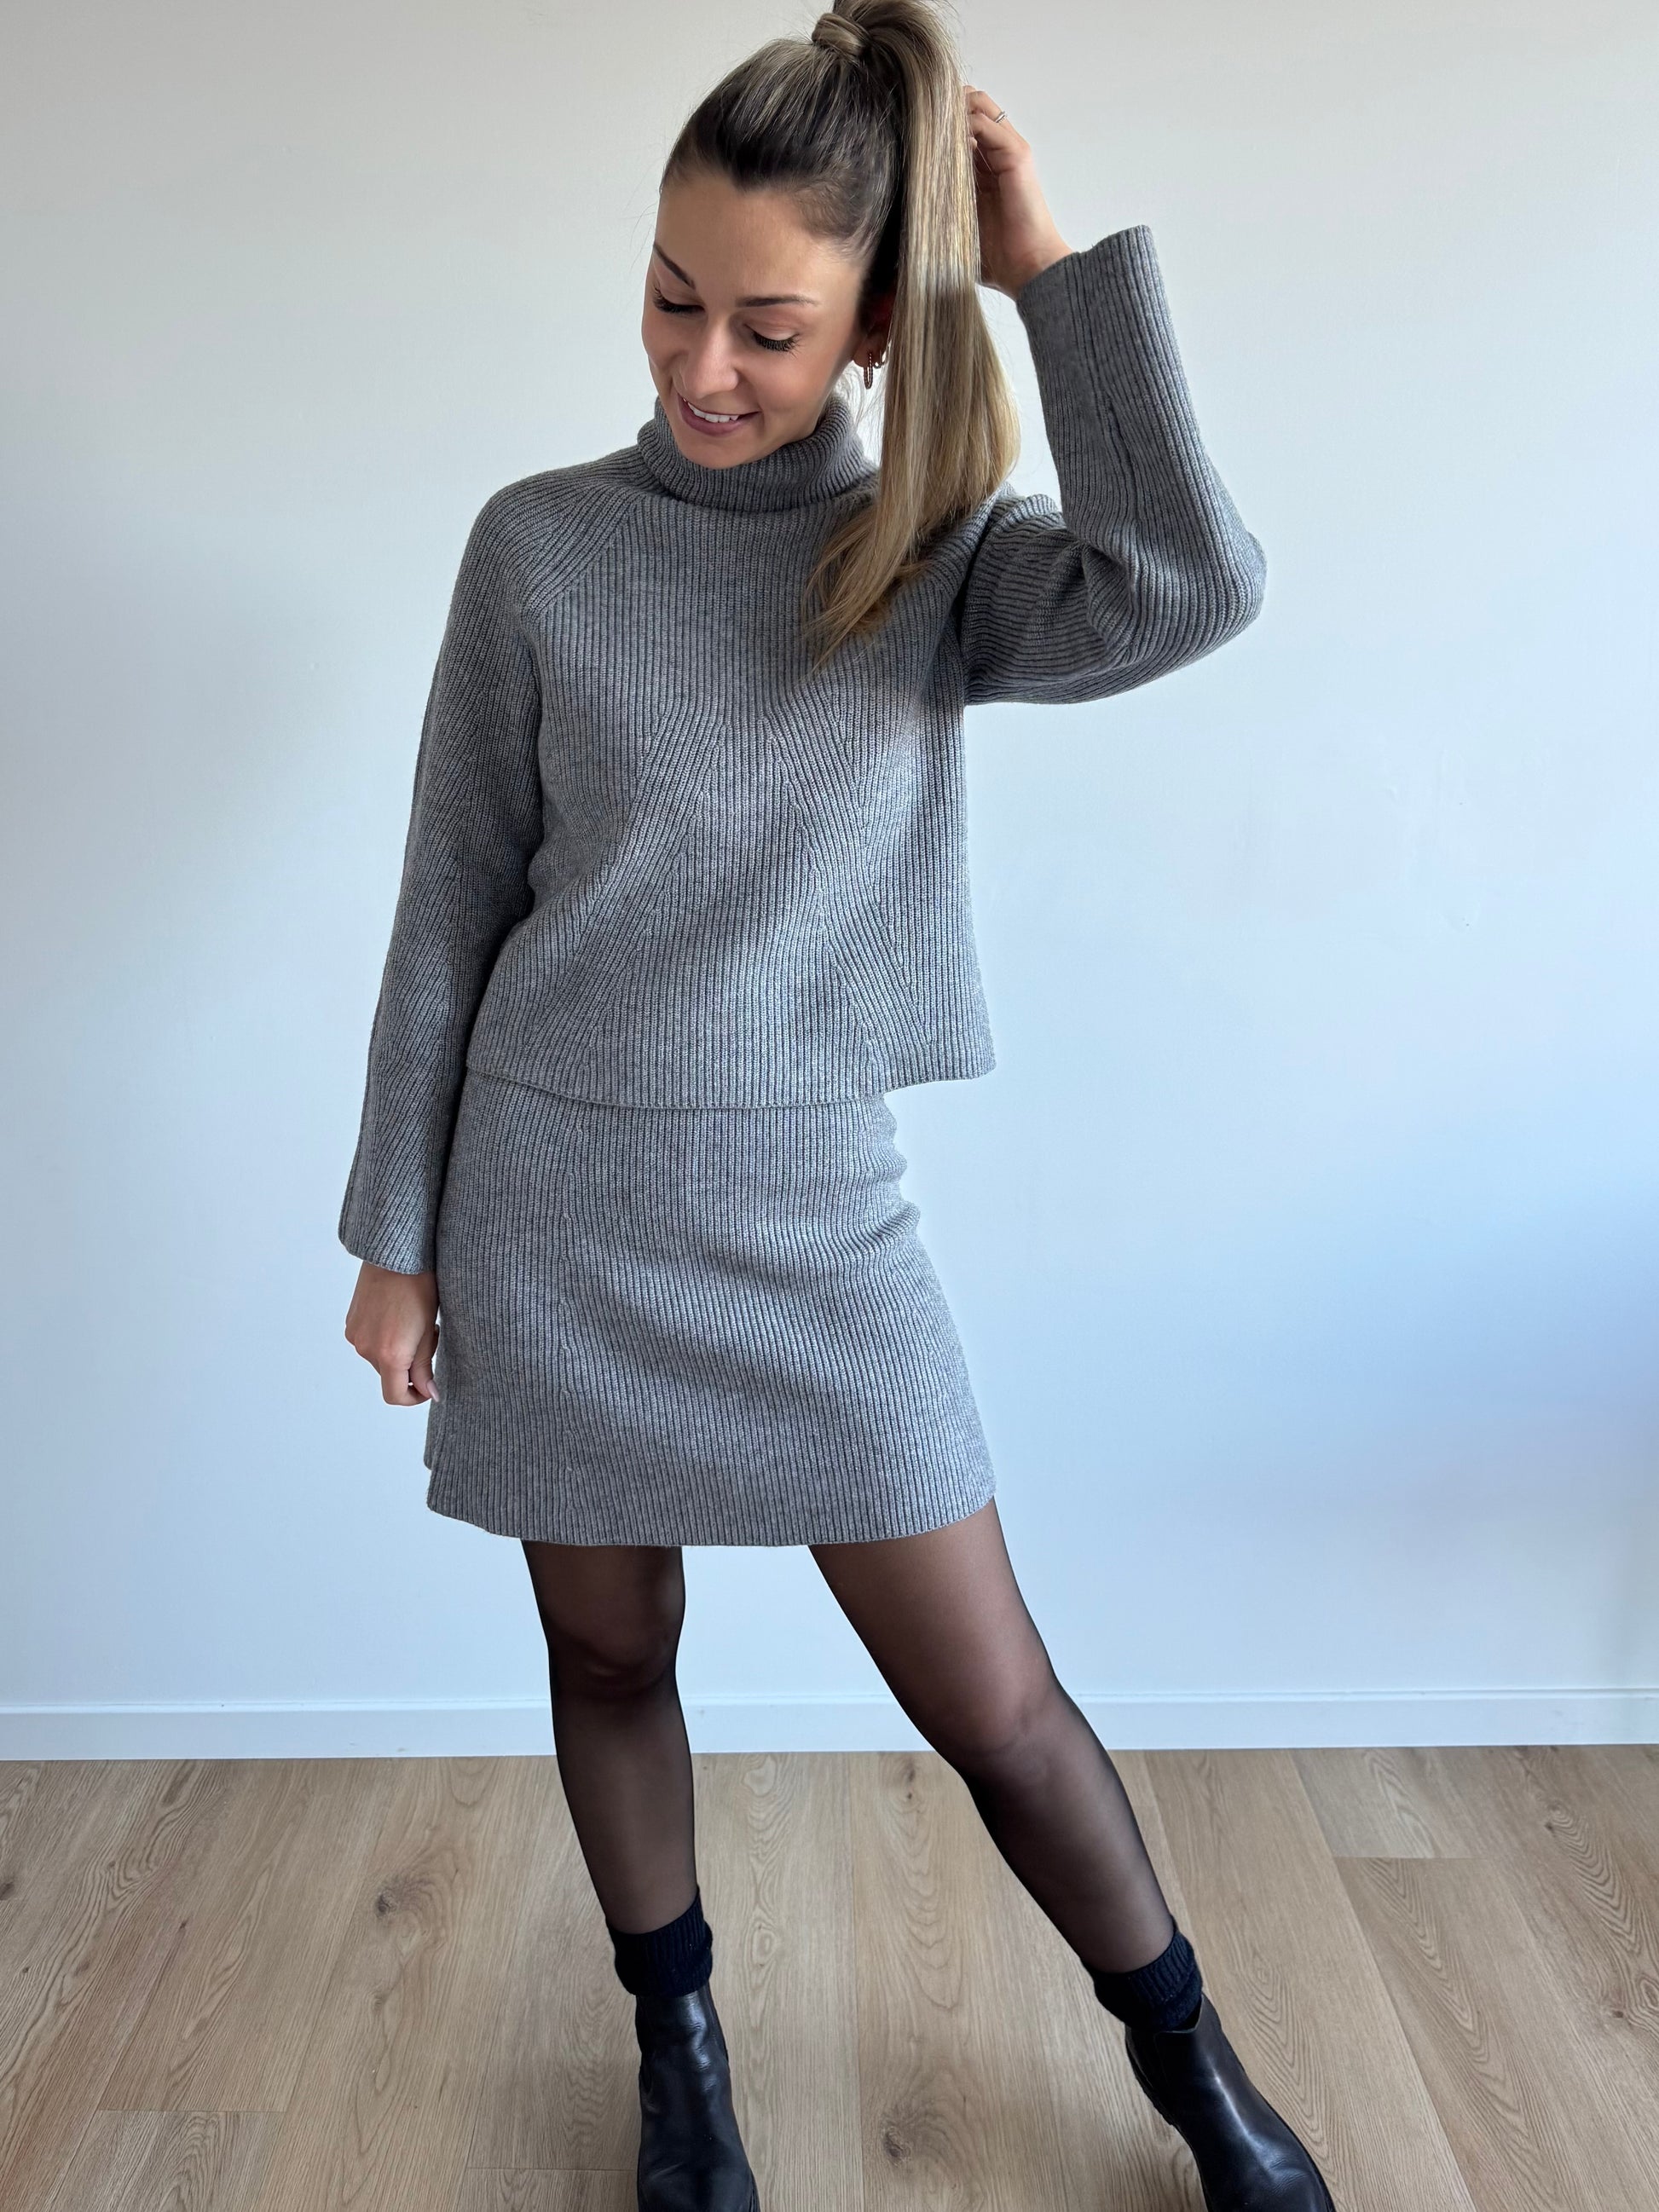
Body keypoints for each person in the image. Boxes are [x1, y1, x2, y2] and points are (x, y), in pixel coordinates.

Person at [340, 4, 1332, 2207]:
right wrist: (394, 1236)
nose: (704, 365)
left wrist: (1046, 265)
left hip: (811, 1215)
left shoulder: (932, 554)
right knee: (609, 1649)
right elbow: (449, 902)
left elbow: (1192, 584)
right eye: (670, 300)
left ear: (876, 324)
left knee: (996, 1704)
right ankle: (677, 2049)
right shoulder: (538, 546)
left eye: (769, 326)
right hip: (550, 1197)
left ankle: (1194, 2071)